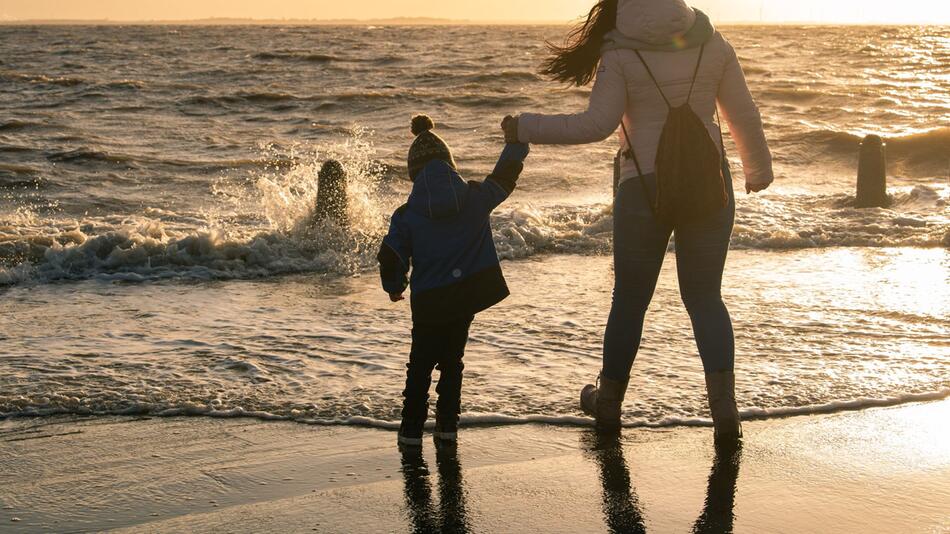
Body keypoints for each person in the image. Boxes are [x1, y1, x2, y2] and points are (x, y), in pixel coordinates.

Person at [502, 0, 774, 442]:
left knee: (630, 301)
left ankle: (608, 406)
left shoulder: (620, 53)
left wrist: (525, 126)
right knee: (705, 298)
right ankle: (725, 413)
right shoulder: (711, 41)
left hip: (643, 191)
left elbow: (595, 125)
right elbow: (743, 113)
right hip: (709, 185)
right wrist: (758, 171)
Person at [378, 114, 529, 446]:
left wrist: (394, 287)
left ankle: (411, 431)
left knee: (420, 364)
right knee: (452, 359)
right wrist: (518, 142)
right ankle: (447, 426)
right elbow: (503, 178)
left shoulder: (407, 215)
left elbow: (391, 254)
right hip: (465, 295)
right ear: (451, 164)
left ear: (414, 174)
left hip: (429, 299)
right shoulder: (475, 198)